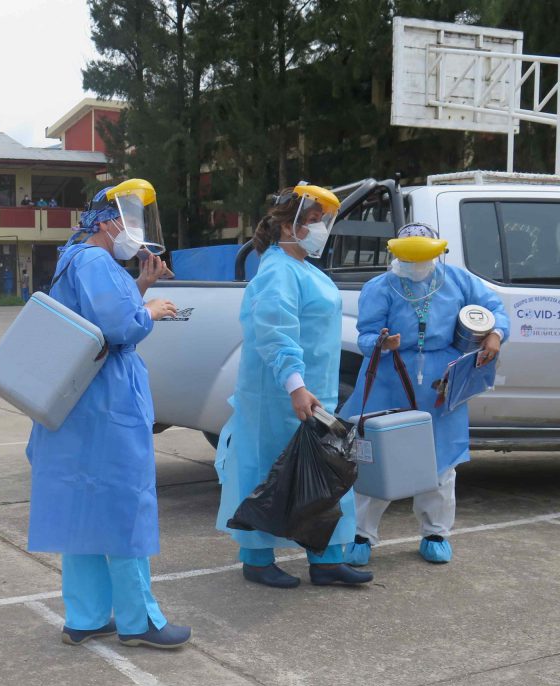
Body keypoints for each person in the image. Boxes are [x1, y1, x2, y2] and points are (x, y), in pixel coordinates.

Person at [27, 179, 192, 650]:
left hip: (80, 403)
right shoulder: (97, 259)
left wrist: (139, 284)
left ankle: (86, 616)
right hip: (107, 401)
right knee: (125, 506)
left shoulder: (74, 258)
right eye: (128, 218)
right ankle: (140, 622)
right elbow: (120, 327)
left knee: (84, 510)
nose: (134, 229)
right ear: (103, 221)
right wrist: (151, 309)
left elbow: (96, 313)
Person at [215, 183, 373, 588]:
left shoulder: (302, 268)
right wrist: (295, 384)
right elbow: (275, 332)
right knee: (265, 472)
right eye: (316, 221)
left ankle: (326, 560)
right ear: (291, 225)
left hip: (313, 392)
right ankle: (256, 557)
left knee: (324, 471)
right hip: (279, 396)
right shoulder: (276, 270)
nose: (322, 229)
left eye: (324, 221)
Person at [340, 224, 509, 565]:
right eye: (409, 258)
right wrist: (381, 343)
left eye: (423, 257)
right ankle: (361, 533)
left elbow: (495, 308)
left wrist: (496, 334)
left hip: (440, 382)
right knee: (376, 457)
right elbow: (365, 334)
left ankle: (435, 532)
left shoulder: (458, 281)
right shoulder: (381, 287)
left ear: (436, 253)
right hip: (390, 379)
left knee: (441, 460)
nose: (416, 265)